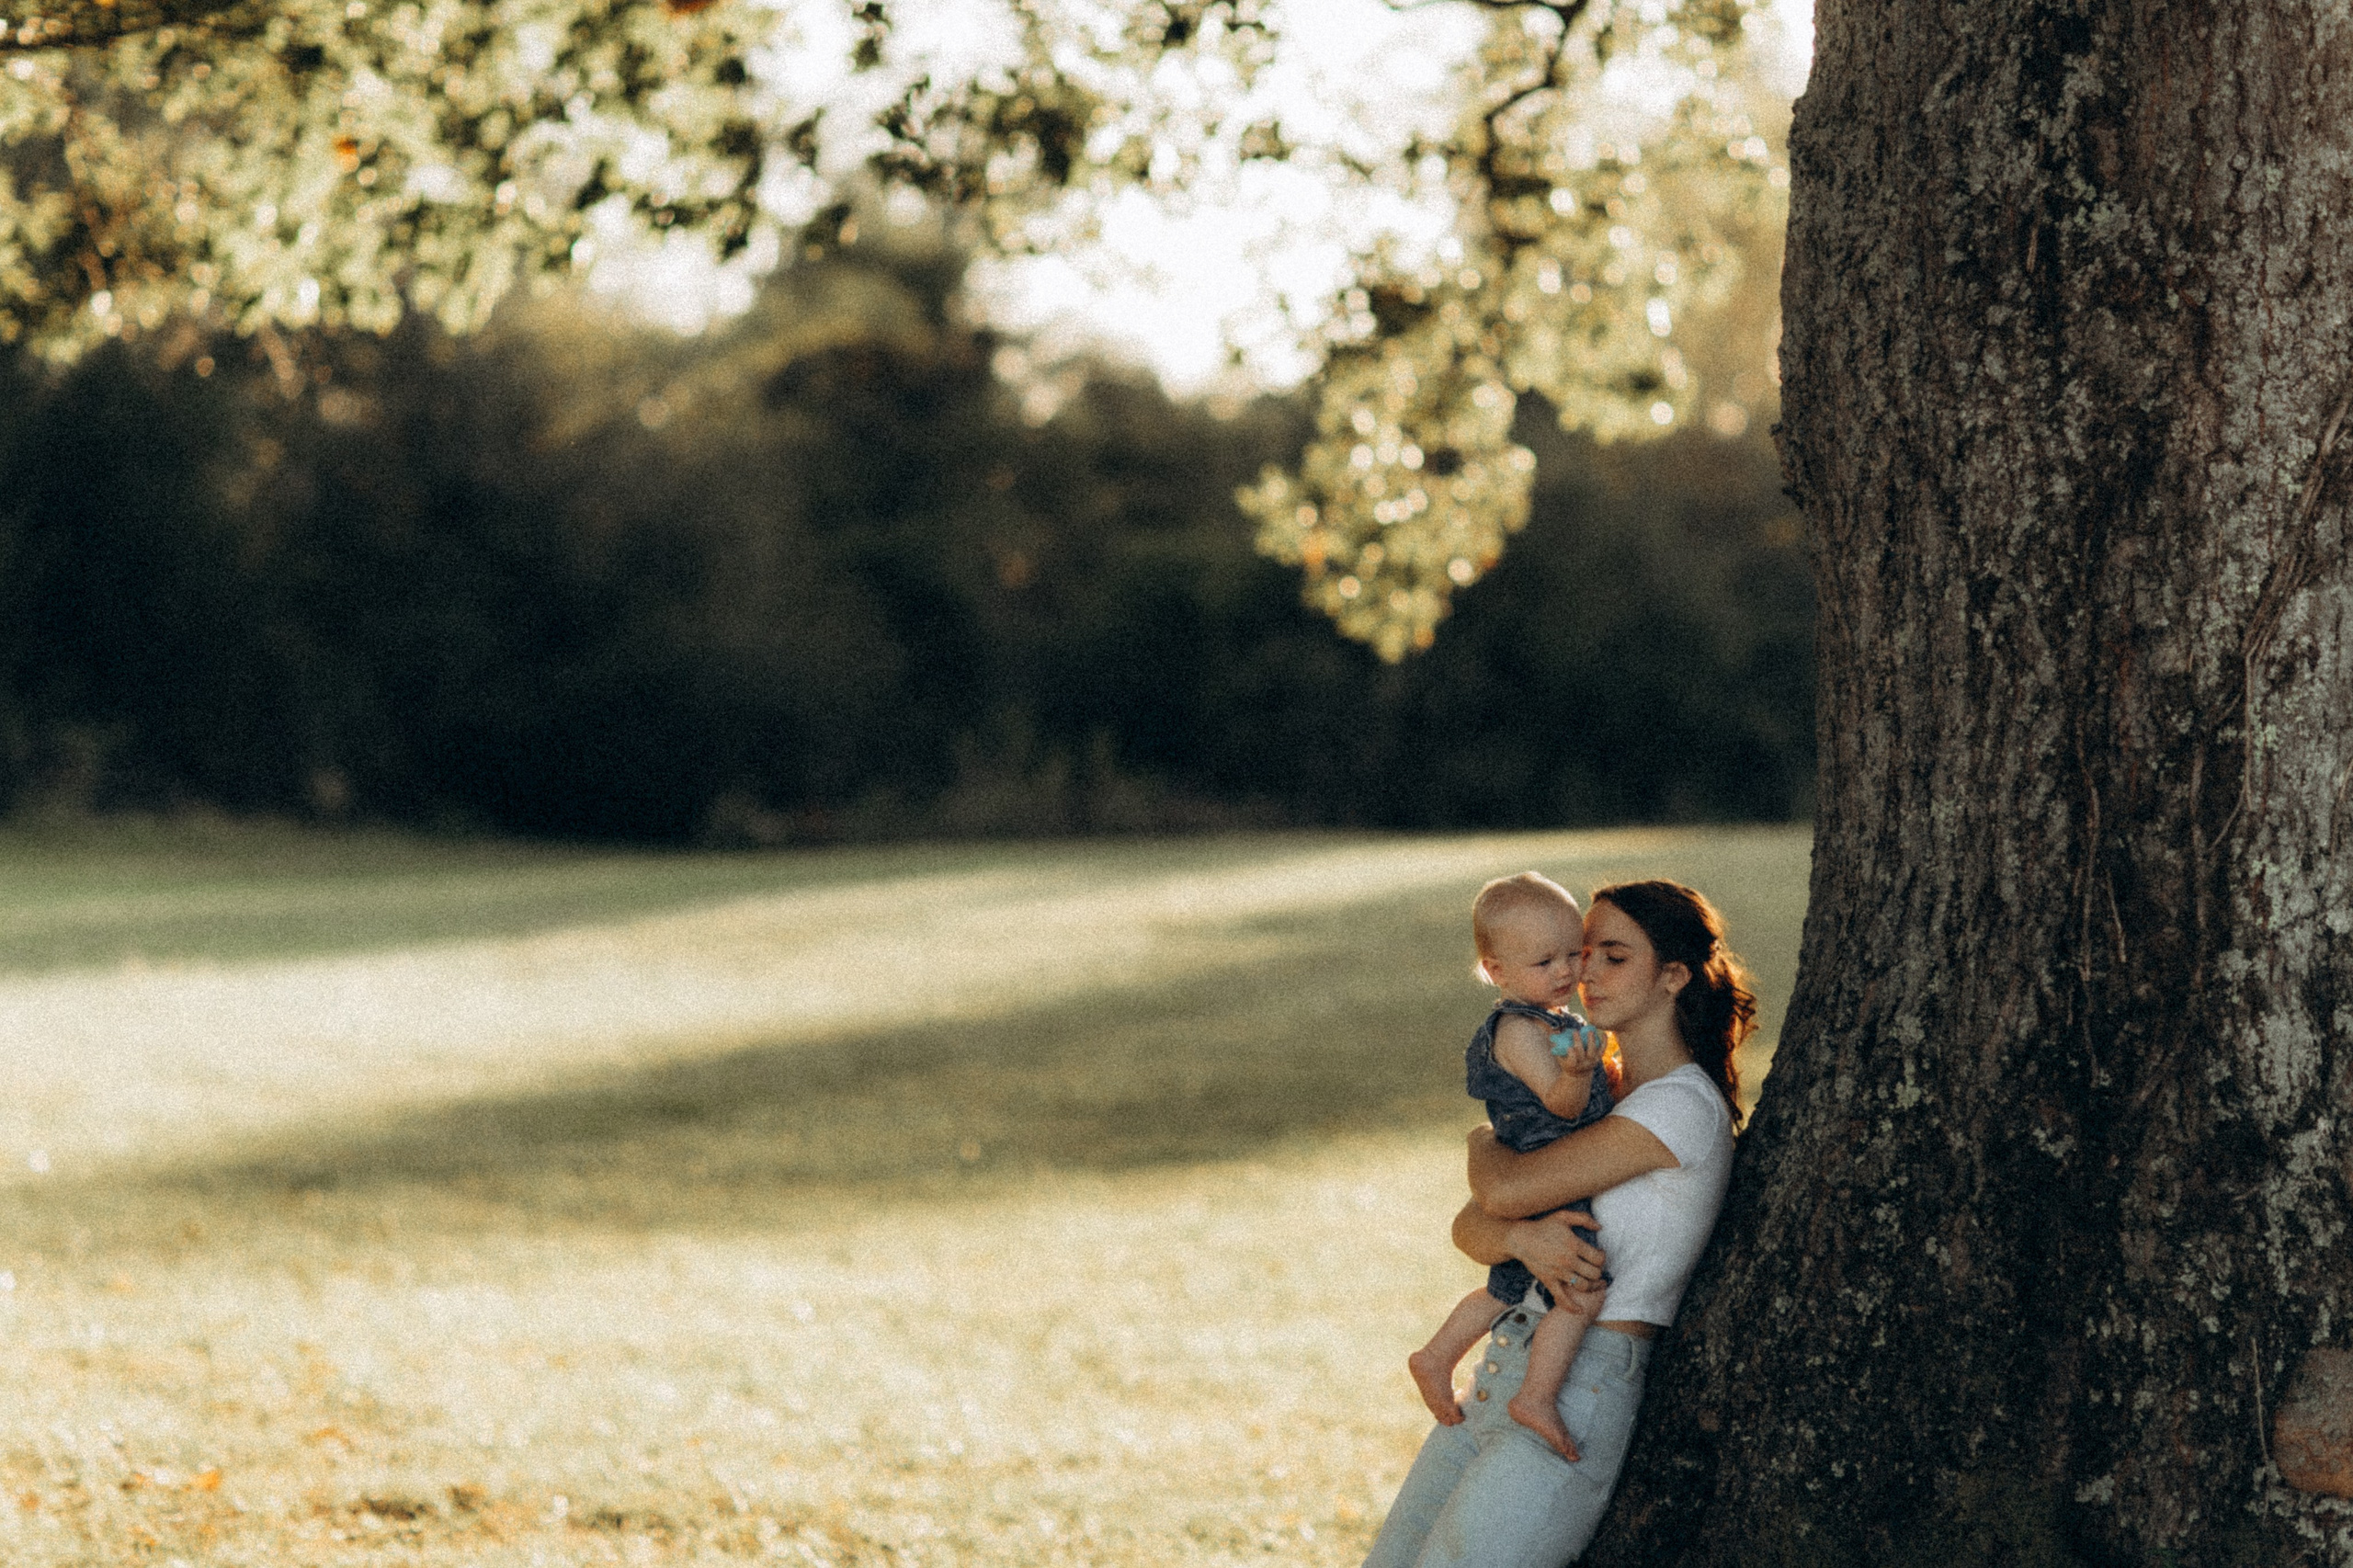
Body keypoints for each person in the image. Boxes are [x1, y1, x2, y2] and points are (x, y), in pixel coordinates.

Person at [1362, 880, 1755, 1568]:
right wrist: (1518, 1239)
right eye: (1579, 953)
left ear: (1673, 977)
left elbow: (1507, 1188)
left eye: (1613, 957)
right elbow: (1472, 1226)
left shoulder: (1679, 1107)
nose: (1584, 974)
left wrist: (1480, 1148)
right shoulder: (1595, 1093)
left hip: (1580, 1384)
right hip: (1505, 1364)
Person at [1405, 872, 1615, 1462]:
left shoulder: (1552, 1021)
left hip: (1548, 1168)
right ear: (1496, 971)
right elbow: (1562, 1104)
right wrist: (1578, 1075)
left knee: (1506, 1289)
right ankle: (1537, 1396)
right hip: (1544, 1172)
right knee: (1583, 1292)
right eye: (1544, 961)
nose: (1565, 972)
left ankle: (1437, 1355)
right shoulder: (1520, 1031)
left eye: (1574, 954)